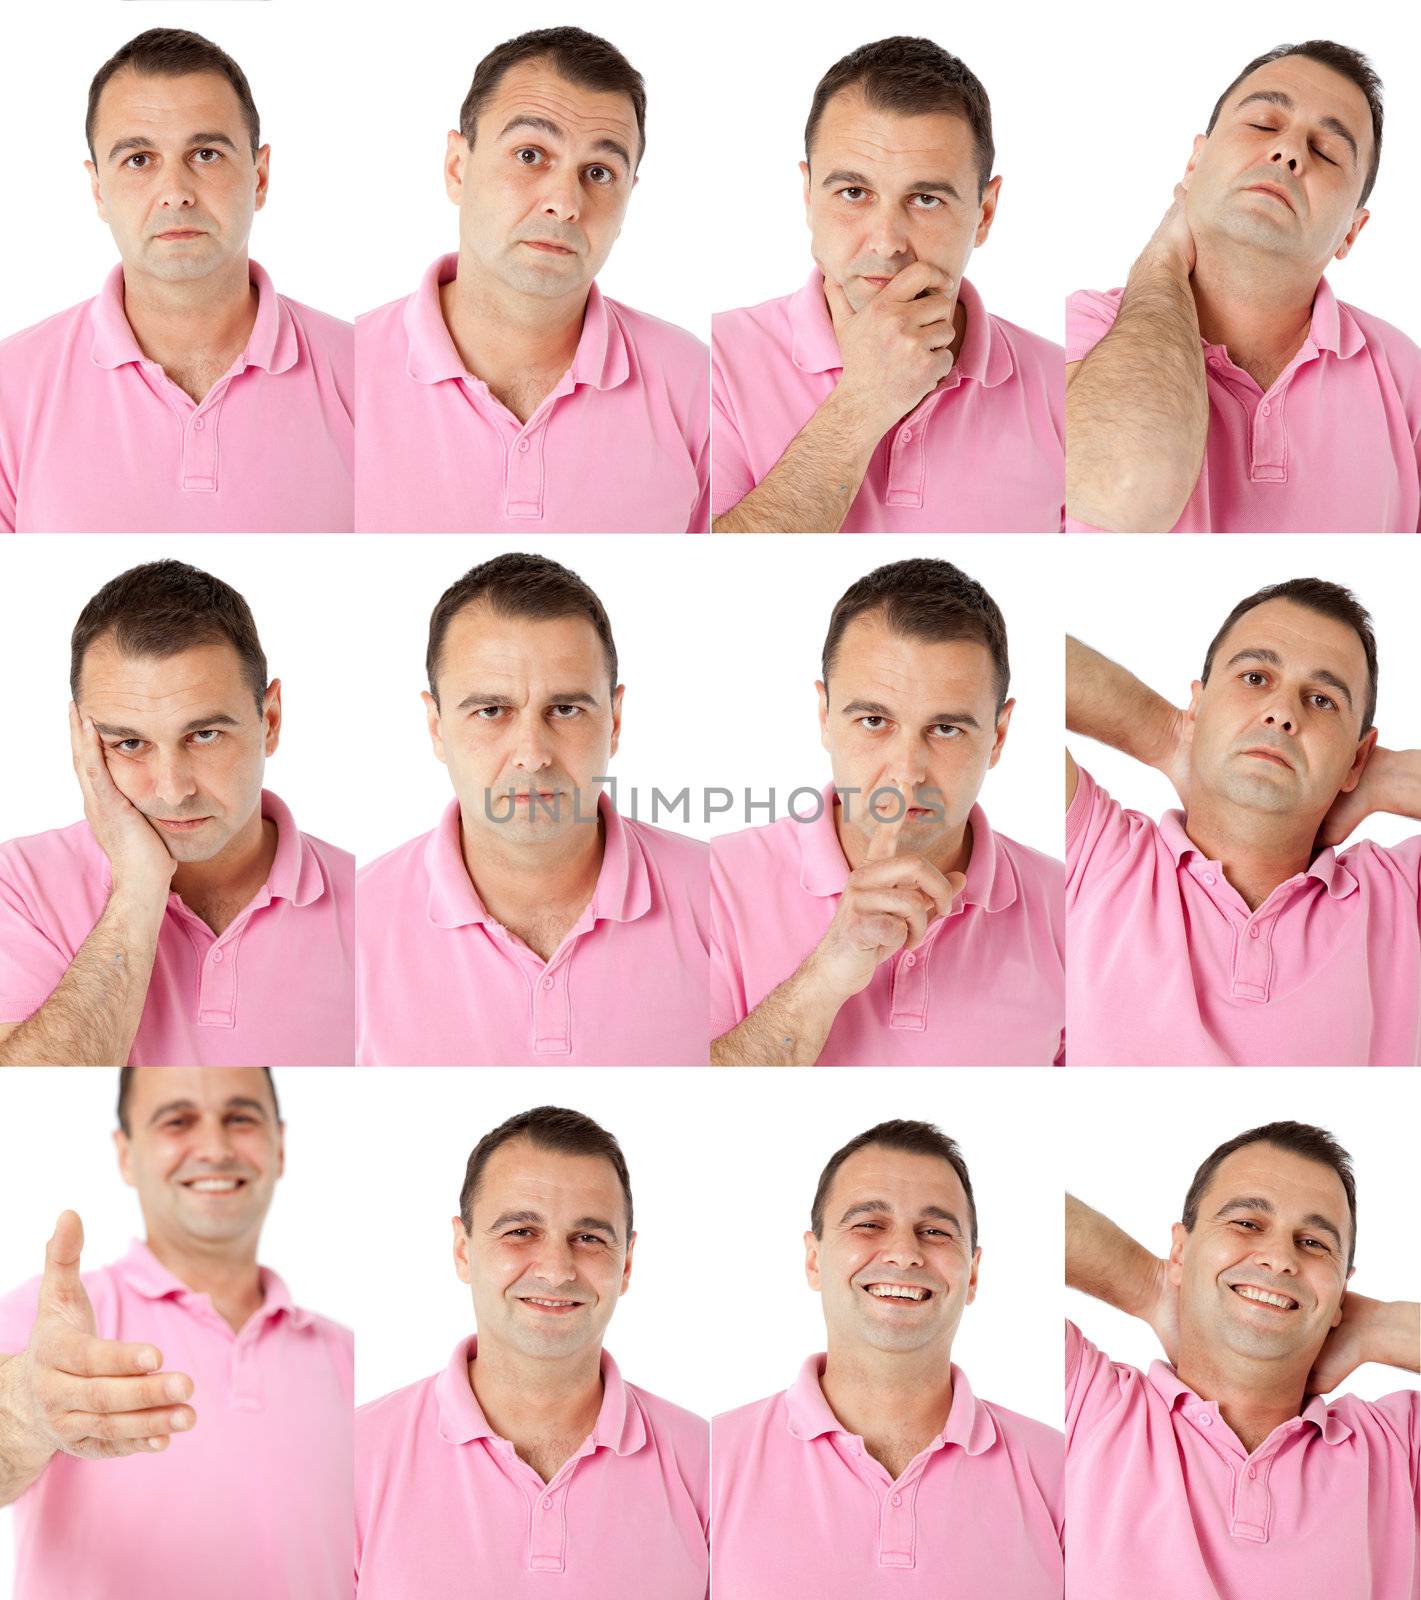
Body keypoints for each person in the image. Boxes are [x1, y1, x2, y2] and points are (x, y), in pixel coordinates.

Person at [0, 1067, 353, 1599]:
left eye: (240, 1118)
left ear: (280, 1146)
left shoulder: (348, 1354)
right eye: (177, 1121)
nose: (213, 1147)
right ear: (126, 1153)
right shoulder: (55, 1322)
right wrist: (26, 1409)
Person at [0, 561, 355, 1066]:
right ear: (82, 742)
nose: (172, 790)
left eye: (204, 735)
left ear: (270, 720)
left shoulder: (371, 898)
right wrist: (139, 887)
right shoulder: (18, 885)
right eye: (128, 743)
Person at [0, 28, 353, 533]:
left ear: (260, 177)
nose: (175, 192)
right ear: (98, 190)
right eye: (138, 160)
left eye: (206, 154)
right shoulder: (9, 388)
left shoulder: (364, 374)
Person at [356, 27, 708, 533]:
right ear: (458, 167)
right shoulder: (348, 367)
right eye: (529, 155)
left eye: (600, 172)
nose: (564, 203)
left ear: (629, 194)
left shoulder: (694, 382)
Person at [712, 558, 1063, 1065]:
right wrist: (827, 974)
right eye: (874, 720)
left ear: (999, 735)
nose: (907, 771)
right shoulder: (713, 880)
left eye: (946, 729)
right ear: (825, 717)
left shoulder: (1068, 905)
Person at [1066, 40, 1421, 532]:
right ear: (1194, 163)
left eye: (1326, 150)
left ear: (1352, 232)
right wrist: (1161, 260)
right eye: (1263, 124)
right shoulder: (1077, 331)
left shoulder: (1404, 375)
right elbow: (1122, 491)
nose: (1289, 151)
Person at [712, 36, 1063, 533]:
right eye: (853, 192)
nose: (886, 243)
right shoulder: (711, 361)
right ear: (808, 196)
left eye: (925, 199)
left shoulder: (1063, 384)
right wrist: (864, 400)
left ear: (984, 214)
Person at [355, 1105, 708, 1598]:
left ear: (626, 1264)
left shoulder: (710, 1464)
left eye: (588, 1238)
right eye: (521, 1232)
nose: (557, 1269)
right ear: (463, 1249)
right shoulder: (349, 1459)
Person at [1066, 577, 1421, 1064]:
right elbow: (1021, 654)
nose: (1282, 713)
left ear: (1356, 758)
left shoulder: (1401, 896)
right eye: (1255, 678)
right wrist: (1169, 734)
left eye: (1322, 700)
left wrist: (1391, 778)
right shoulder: (1093, 855)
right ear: (1198, 706)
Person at [1066, 1121, 1419, 1596]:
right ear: (1181, 1247)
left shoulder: (1398, 1449)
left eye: (1314, 1243)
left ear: (1342, 1293)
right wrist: (1154, 1285)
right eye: (1247, 1223)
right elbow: (1014, 1201)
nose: (1280, 1259)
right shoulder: (1086, 1405)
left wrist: (1376, 1328)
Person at [713, 1120, 1062, 1597]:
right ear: (814, 1259)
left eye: (935, 1231)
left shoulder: (1062, 1473)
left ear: (973, 1272)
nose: (903, 1253)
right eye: (869, 1225)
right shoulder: (711, 1460)